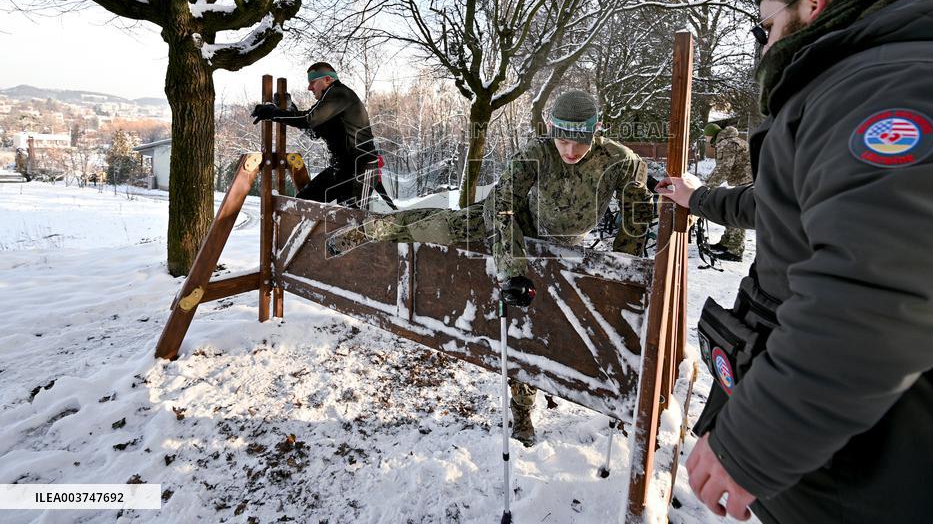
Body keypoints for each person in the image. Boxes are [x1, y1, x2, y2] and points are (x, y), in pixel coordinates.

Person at [658, 0, 933, 523]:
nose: (764, 45)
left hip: (904, 473)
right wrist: (697, 198)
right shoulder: (870, 73)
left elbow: (889, 285)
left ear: (811, 4)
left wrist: (756, 442)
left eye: (767, 26)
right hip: (873, 453)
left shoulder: (891, 79)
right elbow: (780, 203)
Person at [335, 89, 657, 446]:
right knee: (442, 226)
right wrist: (511, 269)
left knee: (543, 328)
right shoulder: (536, 154)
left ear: (596, 133)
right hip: (513, 225)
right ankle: (371, 229)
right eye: (562, 139)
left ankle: (529, 400)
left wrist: (624, 272)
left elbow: (636, 219)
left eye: (579, 142)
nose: (569, 151)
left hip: (563, 247)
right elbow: (502, 205)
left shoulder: (620, 161)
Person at [251, 62, 395, 208]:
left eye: (313, 82)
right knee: (303, 204)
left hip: (361, 169)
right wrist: (290, 109)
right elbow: (313, 131)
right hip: (340, 169)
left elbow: (309, 119)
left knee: (352, 220)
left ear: (327, 79)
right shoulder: (327, 100)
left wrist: (273, 113)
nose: (309, 88)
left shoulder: (339, 93)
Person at [701, 123, 752, 261]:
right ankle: (726, 243)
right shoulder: (732, 140)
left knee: (736, 212)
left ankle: (735, 250)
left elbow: (723, 169)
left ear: (711, 135)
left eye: (706, 136)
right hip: (743, 181)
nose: (706, 139)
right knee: (730, 210)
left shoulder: (726, 143)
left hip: (743, 183)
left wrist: (705, 188)